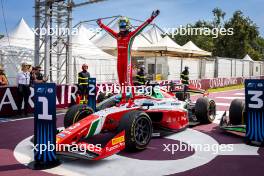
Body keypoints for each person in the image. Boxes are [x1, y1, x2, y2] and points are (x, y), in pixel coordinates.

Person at [97, 10, 159, 101]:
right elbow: (109, 31)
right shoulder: (118, 36)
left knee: (128, 81)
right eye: (120, 25)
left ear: (127, 25)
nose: (121, 27)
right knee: (121, 81)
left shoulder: (130, 35)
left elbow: (141, 28)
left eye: (123, 25)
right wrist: (101, 25)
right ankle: (123, 97)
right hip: (119, 62)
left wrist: (151, 18)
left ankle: (132, 98)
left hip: (127, 62)